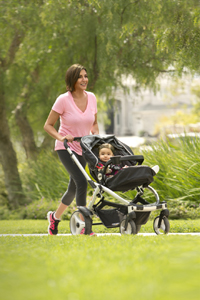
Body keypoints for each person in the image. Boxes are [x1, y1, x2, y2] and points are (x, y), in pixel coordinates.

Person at [44, 64, 99, 236]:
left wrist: (95, 133)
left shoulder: (92, 97)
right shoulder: (63, 99)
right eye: (80, 77)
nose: (84, 79)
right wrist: (61, 137)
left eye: (85, 76)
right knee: (82, 182)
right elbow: (48, 125)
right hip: (66, 147)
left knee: (73, 188)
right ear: (72, 80)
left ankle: (55, 217)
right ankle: (83, 226)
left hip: (84, 147)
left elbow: (94, 122)